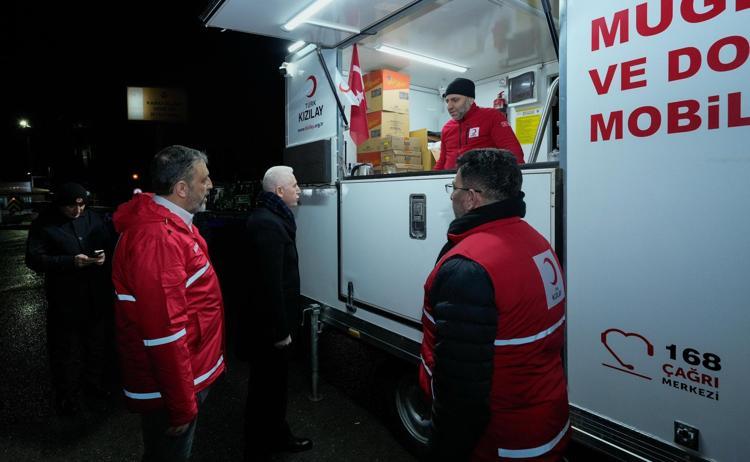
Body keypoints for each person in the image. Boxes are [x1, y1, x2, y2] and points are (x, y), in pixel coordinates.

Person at [419, 149, 569, 461]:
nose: (451, 196)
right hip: (546, 419)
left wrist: (445, 449)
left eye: (454, 188)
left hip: (500, 440)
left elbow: (462, 387)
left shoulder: (469, 268)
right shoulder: (536, 241)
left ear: (471, 198)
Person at [111, 145, 225, 462]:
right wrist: (181, 406)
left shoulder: (168, 226)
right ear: (181, 188)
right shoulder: (158, 239)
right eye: (204, 179)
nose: (210, 185)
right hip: (174, 386)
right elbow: (164, 334)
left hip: (184, 374)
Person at [240, 165, 312, 461]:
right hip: (270, 331)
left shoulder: (270, 218)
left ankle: (274, 437)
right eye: (294, 185)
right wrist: (281, 332)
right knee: (267, 388)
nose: (299, 190)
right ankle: (262, 446)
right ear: (279, 191)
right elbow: (269, 286)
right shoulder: (267, 224)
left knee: (272, 386)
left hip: (270, 327)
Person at [26, 182, 115, 416]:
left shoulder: (93, 218)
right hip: (65, 300)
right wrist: (69, 261)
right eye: (71, 207)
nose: (78, 211)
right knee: (66, 351)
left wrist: (105, 256)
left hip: (95, 296)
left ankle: (93, 385)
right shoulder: (44, 223)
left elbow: (109, 244)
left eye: (82, 206)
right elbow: (33, 259)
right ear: (60, 205)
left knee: (96, 345)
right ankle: (67, 397)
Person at [434, 78, 524, 170]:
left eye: (455, 100)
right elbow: (442, 161)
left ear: (470, 100)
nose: (449, 106)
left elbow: (513, 152)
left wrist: (518, 175)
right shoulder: (447, 128)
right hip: (450, 178)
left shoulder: (491, 116)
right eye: (447, 101)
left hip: (483, 178)